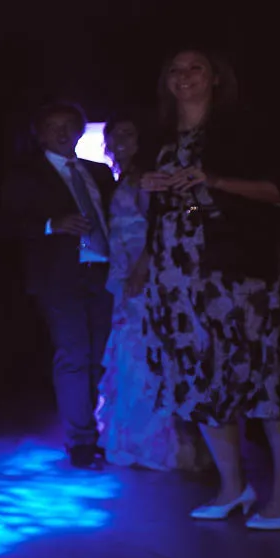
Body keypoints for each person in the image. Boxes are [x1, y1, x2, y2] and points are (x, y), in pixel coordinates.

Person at [140, 50, 280, 528]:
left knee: (269, 377)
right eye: (174, 69)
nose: (184, 76)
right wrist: (151, 186)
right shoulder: (159, 135)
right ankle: (232, 486)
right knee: (201, 378)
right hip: (179, 278)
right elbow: (159, 211)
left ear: (216, 77)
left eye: (195, 67)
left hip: (241, 274)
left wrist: (213, 180)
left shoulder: (245, 129)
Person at [0, 101, 115, 468]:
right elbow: (4, 225)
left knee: (100, 355)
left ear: (80, 130)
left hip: (104, 271)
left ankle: (100, 431)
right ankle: (81, 440)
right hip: (59, 276)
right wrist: (52, 224)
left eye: (69, 125)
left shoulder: (98, 172)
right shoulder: (26, 175)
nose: (62, 132)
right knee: (74, 354)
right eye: (53, 126)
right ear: (40, 134)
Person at [97, 119, 192, 471]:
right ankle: (133, 441)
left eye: (129, 132)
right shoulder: (121, 178)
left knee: (145, 350)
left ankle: (156, 444)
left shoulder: (148, 177)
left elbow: (173, 218)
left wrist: (144, 265)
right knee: (130, 351)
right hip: (123, 273)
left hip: (147, 273)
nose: (120, 139)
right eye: (114, 134)